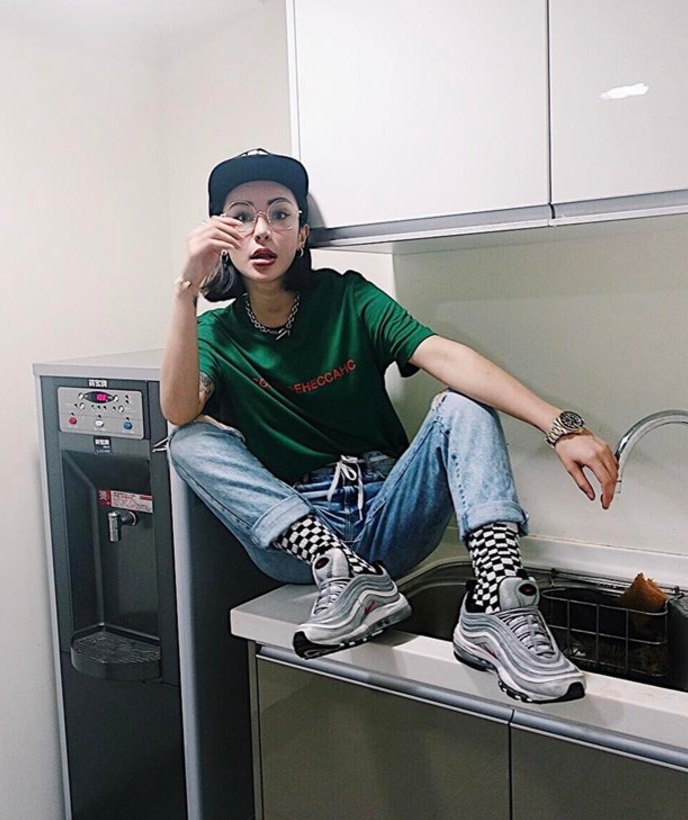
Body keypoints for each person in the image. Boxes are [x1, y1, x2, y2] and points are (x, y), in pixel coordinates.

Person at [161, 148, 618, 704]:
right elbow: (178, 408)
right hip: (300, 544)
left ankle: (497, 602)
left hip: (390, 516)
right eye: (241, 216)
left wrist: (560, 426)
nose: (261, 230)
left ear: (301, 234)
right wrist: (186, 292)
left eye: (279, 214)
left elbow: (444, 355)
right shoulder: (216, 332)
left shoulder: (347, 298)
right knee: (187, 439)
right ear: (219, 236)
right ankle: (342, 569)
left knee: (462, 403)